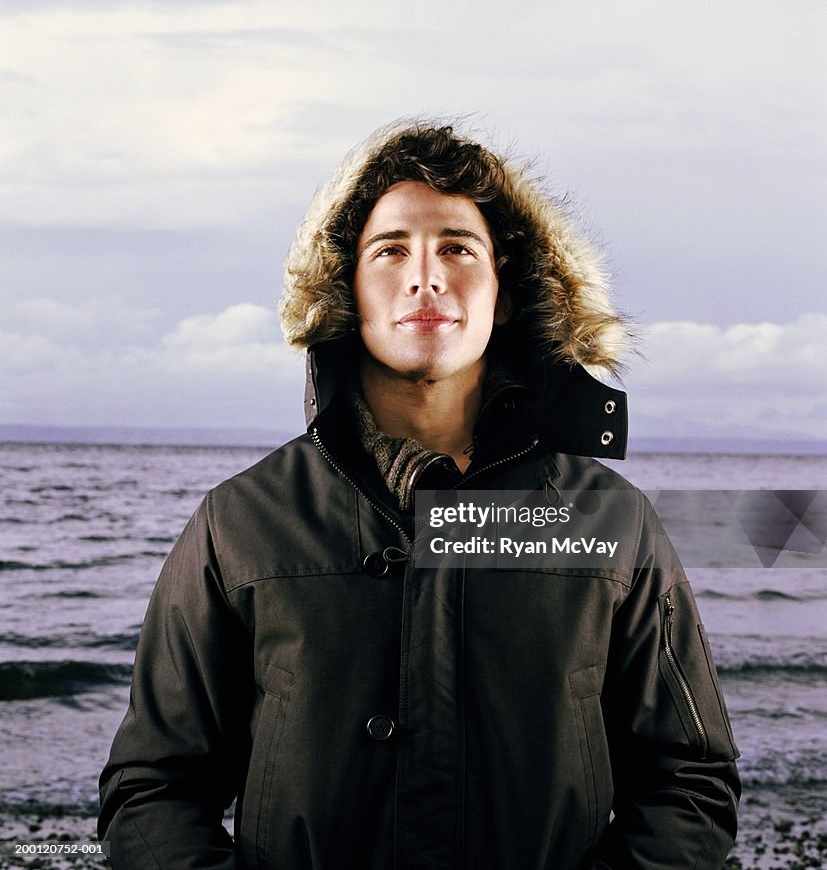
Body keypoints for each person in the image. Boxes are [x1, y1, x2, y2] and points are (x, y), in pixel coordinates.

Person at [99, 120, 740, 868]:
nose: (426, 276)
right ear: (345, 290)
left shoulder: (609, 519)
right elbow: (153, 786)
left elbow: (687, 778)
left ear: (503, 293)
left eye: (458, 249)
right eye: (391, 249)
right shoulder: (240, 519)